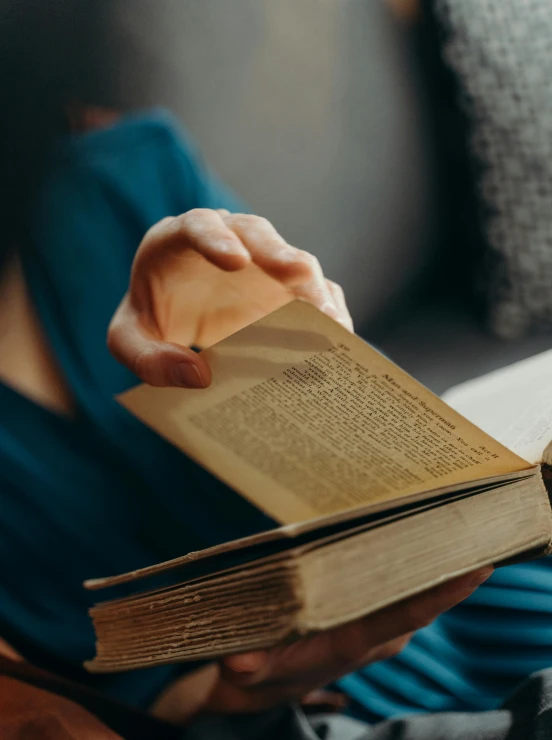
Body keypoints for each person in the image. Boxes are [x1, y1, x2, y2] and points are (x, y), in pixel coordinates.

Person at [0, 0, 549, 734]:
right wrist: (237, 699)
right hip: (336, 710)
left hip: (495, 586)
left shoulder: (121, 174)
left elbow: (402, 455)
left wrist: (272, 323)